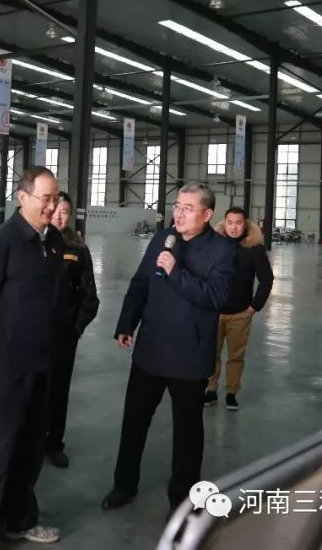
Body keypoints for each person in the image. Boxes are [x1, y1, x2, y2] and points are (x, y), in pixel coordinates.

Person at [102, 182, 236, 513]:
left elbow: (216, 297)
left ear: (207, 214)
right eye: (177, 206)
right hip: (151, 348)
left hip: (190, 356)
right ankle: (123, 484)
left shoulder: (222, 251)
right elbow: (140, 283)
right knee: (134, 420)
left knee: (187, 431)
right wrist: (126, 323)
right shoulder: (164, 238)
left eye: (188, 208)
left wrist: (175, 272)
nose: (179, 213)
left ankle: (182, 498)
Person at [0, 166, 68, 550]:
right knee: (1, 447)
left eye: (56, 198)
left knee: (30, 448)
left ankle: (21, 519)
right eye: (45, 198)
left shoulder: (53, 240)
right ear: (22, 198)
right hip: (9, 366)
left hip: (43, 362)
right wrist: (8, 340)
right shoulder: (1, 243)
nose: (52, 205)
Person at [45, 191, 99, 469]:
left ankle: (54, 444)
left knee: (58, 391)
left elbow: (90, 298)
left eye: (64, 211)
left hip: (63, 336)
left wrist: (75, 329)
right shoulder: (33, 242)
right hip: (31, 334)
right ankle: (28, 441)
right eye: (54, 210)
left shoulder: (78, 249)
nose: (58, 216)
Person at [205, 207, 274, 411]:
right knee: (211, 354)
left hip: (240, 314)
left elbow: (267, 279)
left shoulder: (254, 249)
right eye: (230, 222)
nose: (234, 227)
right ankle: (211, 389)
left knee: (236, 357)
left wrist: (254, 307)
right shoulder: (214, 246)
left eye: (238, 223)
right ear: (224, 223)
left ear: (245, 224)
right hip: (214, 312)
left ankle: (231, 392)